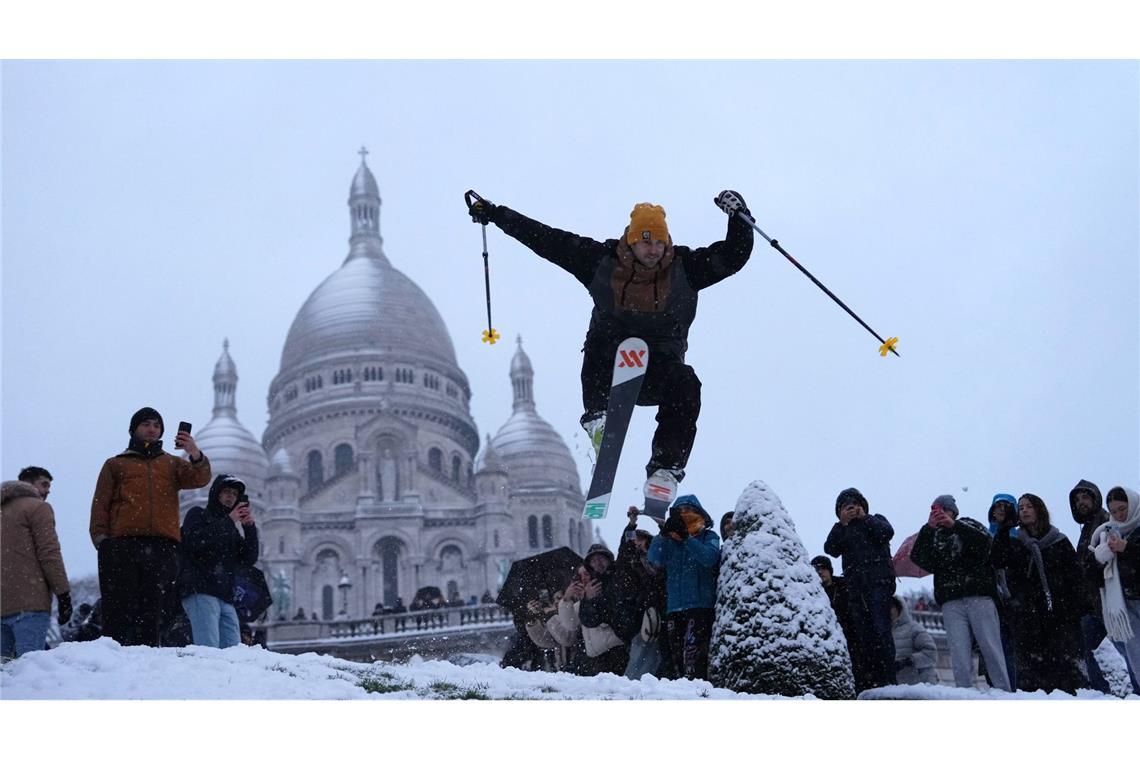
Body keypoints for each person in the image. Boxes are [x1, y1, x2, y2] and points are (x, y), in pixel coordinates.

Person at [468, 192, 754, 494]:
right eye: (646, 242)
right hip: (611, 367)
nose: (653, 250)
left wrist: (740, 217)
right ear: (631, 241)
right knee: (602, 335)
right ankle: (598, 419)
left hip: (658, 372)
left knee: (687, 382)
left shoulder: (686, 268)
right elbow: (548, 240)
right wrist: (498, 214)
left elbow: (733, 256)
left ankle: (665, 469)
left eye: (659, 242)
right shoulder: (600, 261)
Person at [89, 407, 211, 646]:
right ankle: (115, 655)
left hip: (162, 545)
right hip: (123, 544)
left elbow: (199, 478)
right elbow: (100, 503)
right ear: (134, 429)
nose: (152, 429)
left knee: (155, 608)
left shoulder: (172, 464)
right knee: (119, 606)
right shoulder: (115, 464)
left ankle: (148, 658)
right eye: (146, 424)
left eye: (157, 425)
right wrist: (101, 540)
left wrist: (193, 452)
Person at [909, 494, 1010, 691]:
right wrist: (928, 529)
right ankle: (963, 694)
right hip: (951, 600)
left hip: (978, 595)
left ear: (953, 512)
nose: (939, 515)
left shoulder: (968, 525)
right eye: (935, 511)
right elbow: (918, 557)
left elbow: (985, 544)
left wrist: (955, 526)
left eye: (943, 510)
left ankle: (1004, 692)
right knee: (959, 653)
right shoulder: (933, 536)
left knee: (990, 647)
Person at [990, 493, 1089, 693]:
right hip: (1028, 618)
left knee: (1065, 675)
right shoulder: (1016, 542)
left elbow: (1076, 578)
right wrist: (1004, 528)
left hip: (1059, 616)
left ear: (1039, 510)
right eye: (1021, 507)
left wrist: (1076, 609)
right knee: (1032, 678)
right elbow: (997, 559)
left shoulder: (1059, 541)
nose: (1024, 510)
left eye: (1029, 506)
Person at [823, 487, 896, 692]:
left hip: (878, 584)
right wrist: (842, 524)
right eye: (846, 507)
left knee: (882, 632)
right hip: (855, 589)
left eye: (855, 504)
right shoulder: (842, 529)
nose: (852, 508)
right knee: (862, 637)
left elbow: (887, 533)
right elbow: (830, 549)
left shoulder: (875, 520)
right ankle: (869, 680)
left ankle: (888, 680)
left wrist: (865, 518)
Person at [1070, 480, 1137, 694]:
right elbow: (1089, 569)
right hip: (1105, 604)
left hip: (1117, 602)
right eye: (1077, 500)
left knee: (1131, 651)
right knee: (1130, 651)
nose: (1081, 503)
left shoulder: (1106, 524)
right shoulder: (1096, 530)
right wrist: (1099, 558)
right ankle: (1102, 692)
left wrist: (1126, 549)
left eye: (1085, 497)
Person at [178, 474, 259, 648]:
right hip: (200, 591)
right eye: (227, 492)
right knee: (209, 650)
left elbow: (248, 559)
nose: (231, 497)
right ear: (216, 493)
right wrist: (229, 521)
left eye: (235, 494)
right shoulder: (197, 514)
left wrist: (249, 528)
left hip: (225, 597)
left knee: (233, 653)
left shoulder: (231, 529)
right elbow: (196, 543)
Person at [648, 494, 720, 680]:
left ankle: (699, 693)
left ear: (699, 513)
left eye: (688, 510)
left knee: (694, 659)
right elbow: (654, 558)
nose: (684, 514)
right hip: (674, 608)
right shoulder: (669, 541)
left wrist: (687, 538)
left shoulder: (708, 536)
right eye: (680, 512)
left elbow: (709, 559)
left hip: (700, 607)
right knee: (677, 659)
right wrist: (663, 534)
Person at [1, 478, 71, 659]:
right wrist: (63, 594)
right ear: (30, 484)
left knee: (4, 678)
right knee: (31, 670)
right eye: (45, 484)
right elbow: (49, 554)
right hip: (29, 604)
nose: (48, 491)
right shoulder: (37, 508)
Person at [1086, 485, 1140, 690]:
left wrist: (1128, 549)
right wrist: (1100, 558)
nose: (1118, 515)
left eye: (1123, 509)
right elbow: (1091, 575)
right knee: (1136, 658)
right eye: (1114, 511)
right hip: (1124, 607)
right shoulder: (1105, 534)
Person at [618, 507, 670, 679]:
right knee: (640, 652)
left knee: (662, 653)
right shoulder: (631, 562)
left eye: (641, 540)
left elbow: (667, 539)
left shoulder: (658, 559)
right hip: (640, 614)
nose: (637, 544)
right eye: (635, 541)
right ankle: (634, 683)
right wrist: (632, 524)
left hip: (662, 609)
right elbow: (625, 547)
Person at [577, 543, 631, 676]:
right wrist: (589, 599)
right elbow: (587, 619)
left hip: (618, 646)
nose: (598, 563)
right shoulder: (593, 585)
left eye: (601, 559)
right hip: (598, 654)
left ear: (608, 560)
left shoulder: (619, 578)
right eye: (594, 560)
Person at [986, 493, 1020, 690]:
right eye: (997, 505)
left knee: (1009, 648)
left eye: (1006, 506)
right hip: (991, 600)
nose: (1000, 509)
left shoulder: (1020, 537)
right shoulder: (984, 536)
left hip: (1014, 601)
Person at [889, 597, 938, 685]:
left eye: (891, 607)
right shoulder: (884, 633)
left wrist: (909, 661)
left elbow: (931, 653)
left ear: (900, 608)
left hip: (921, 685)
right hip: (900, 688)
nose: (888, 610)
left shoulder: (914, 628)